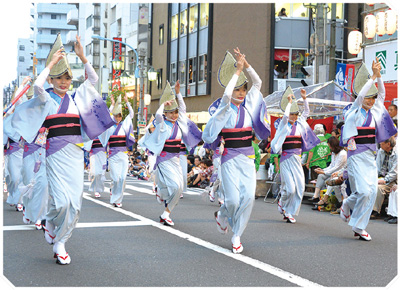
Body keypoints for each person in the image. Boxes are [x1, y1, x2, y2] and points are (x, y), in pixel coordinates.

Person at [5, 34, 114, 264]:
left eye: (66, 77)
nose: (62, 81)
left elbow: (92, 79)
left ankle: (61, 240)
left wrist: (83, 58)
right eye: (57, 78)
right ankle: (52, 226)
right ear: (52, 80)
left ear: (71, 80)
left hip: (75, 154)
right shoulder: (47, 100)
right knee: (61, 202)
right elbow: (36, 84)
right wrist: (51, 64)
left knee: (74, 203)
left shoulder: (77, 98)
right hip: (54, 155)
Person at [202, 48, 270, 254]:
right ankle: (223, 214)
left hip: (248, 159)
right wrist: (237, 72)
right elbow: (225, 95)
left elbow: (257, 83)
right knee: (232, 200)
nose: (241, 93)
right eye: (237, 89)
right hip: (229, 160)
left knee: (248, 197)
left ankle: (237, 234)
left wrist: (246, 65)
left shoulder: (249, 106)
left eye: (243, 89)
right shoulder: (224, 110)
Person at [340, 59, 397, 241]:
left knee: (372, 191)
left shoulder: (376, 111)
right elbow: (360, 97)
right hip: (356, 155)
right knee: (364, 191)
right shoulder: (353, 110)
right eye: (368, 97)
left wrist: (379, 76)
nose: (371, 100)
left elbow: (381, 93)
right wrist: (371, 76)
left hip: (370, 156)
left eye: (372, 98)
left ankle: (358, 225)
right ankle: (349, 205)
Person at [140, 80, 201, 226]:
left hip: (176, 159)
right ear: (166, 113)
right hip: (164, 159)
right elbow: (159, 116)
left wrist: (178, 92)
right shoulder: (161, 124)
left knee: (179, 188)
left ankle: (165, 207)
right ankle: (166, 212)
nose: (174, 115)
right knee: (175, 187)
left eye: (175, 112)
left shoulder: (179, 123)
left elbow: (183, 108)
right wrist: (163, 105)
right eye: (171, 112)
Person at [271, 88, 320, 223]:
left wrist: (304, 99)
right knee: (290, 189)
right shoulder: (283, 126)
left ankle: (290, 211)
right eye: (292, 114)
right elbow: (285, 117)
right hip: (286, 159)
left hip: (297, 160)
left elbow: (307, 113)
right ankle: (283, 202)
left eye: (295, 114)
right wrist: (289, 103)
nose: (294, 117)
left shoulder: (300, 125)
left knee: (299, 187)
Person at [99, 94, 135, 208]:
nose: (118, 118)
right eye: (116, 116)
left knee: (123, 178)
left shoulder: (125, 125)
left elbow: (132, 114)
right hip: (113, 155)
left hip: (123, 154)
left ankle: (118, 199)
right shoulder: (110, 127)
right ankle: (114, 196)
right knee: (116, 178)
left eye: (119, 116)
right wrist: (112, 105)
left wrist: (127, 102)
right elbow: (105, 119)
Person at [309, 137, 347, 205]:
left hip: (340, 173)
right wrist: (323, 170)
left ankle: (326, 199)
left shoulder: (343, 154)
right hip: (333, 172)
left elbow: (336, 167)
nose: (329, 148)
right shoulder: (333, 153)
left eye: (329, 146)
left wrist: (324, 172)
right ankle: (316, 195)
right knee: (321, 176)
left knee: (332, 181)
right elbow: (331, 166)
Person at [370, 136, 397, 219]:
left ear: (388, 144)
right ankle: (366, 208)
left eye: (382, 143)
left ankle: (375, 210)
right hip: (381, 177)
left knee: (379, 188)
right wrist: (373, 177)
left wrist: (385, 180)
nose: (380, 145)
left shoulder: (397, 154)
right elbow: (377, 166)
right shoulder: (381, 151)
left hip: (392, 180)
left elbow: (395, 172)